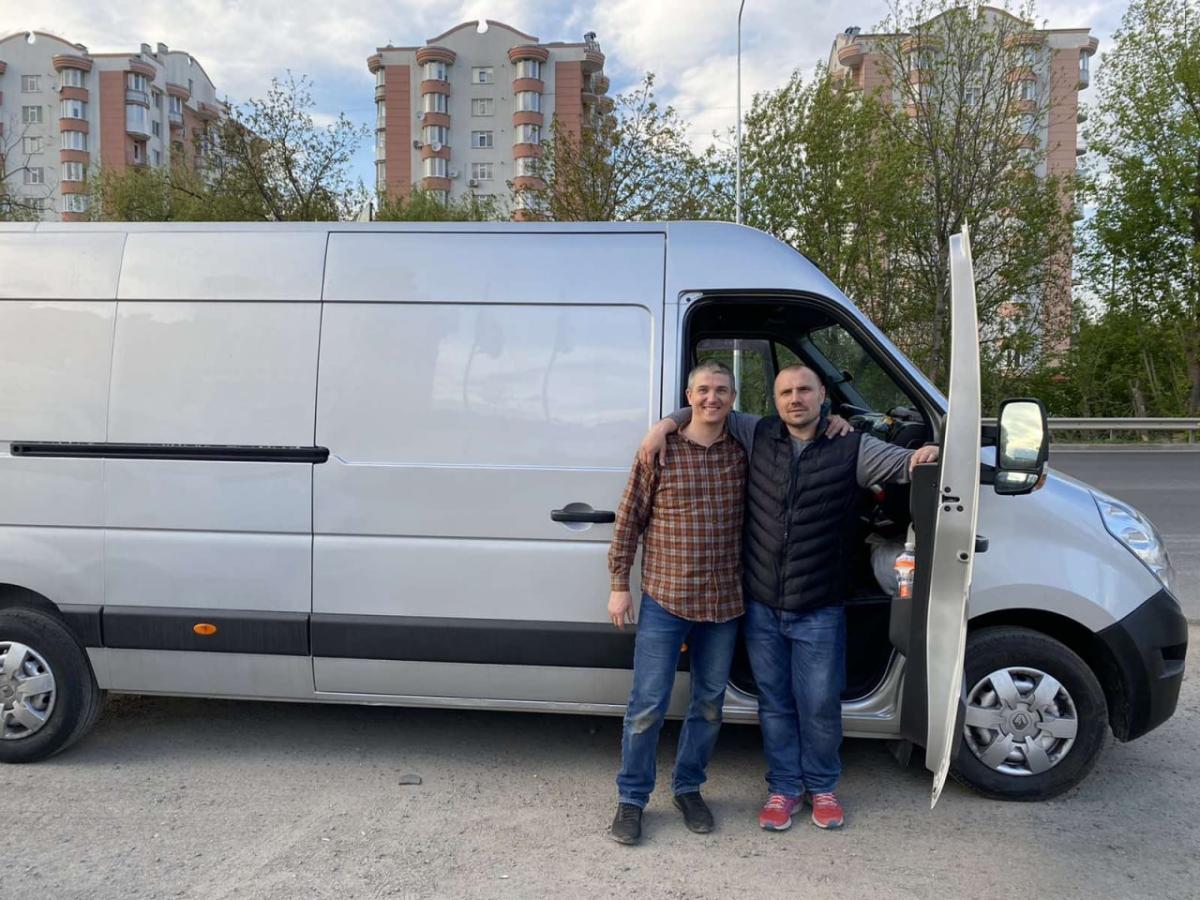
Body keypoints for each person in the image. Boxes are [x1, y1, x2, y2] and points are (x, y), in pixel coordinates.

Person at [640, 363, 938, 831]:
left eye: (804, 390)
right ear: (775, 401)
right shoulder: (758, 434)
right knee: (774, 703)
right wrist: (664, 424)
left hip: (819, 604)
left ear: (824, 397)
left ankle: (822, 787)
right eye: (785, 392)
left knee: (819, 703)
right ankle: (783, 788)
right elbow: (707, 406)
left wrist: (935, 451)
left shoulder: (853, 446)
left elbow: (910, 464)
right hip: (760, 602)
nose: (795, 399)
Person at [605, 360, 747, 845]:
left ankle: (688, 788)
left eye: (721, 390)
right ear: (689, 395)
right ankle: (631, 800)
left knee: (709, 705)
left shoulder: (744, 450)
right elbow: (629, 519)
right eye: (703, 390)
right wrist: (619, 583)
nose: (712, 398)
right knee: (646, 705)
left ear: (733, 397)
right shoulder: (659, 451)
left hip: (724, 603)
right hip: (666, 598)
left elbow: (804, 419)